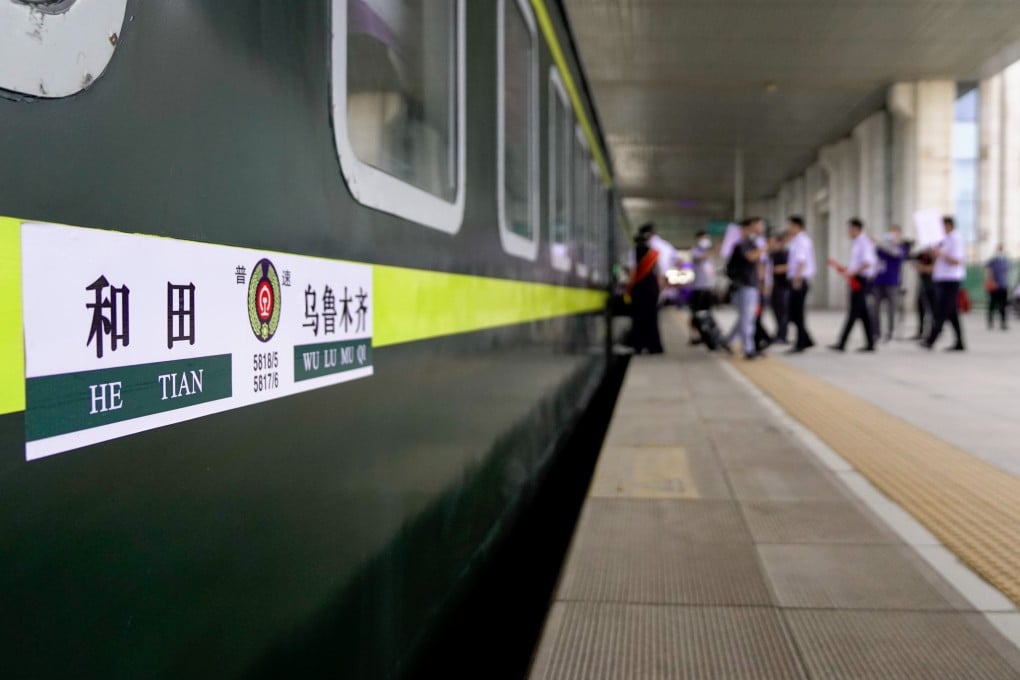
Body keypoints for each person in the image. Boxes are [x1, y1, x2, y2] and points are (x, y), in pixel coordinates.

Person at [830, 218, 878, 352]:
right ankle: (870, 343)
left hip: (861, 280)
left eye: (850, 229)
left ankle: (842, 343)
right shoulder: (857, 242)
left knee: (853, 312)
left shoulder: (864, 242)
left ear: (856, 229)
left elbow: (867, 262)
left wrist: (852, 273)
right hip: (856, 278)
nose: (849, 232)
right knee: (863, 314)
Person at [723, 218, 767, 359]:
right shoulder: (741, 245)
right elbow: (751, 258)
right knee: (747, 318)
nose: (757, 229)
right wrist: (767, 246)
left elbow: (759, 265)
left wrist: (761, 283)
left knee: (746, 317)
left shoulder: (753, 243)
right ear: (746, 228)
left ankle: (728, 341)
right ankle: (749, 349)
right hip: (743, 286)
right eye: (755, 226)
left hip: (751, 285)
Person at [922, 215, 966, 351]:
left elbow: (957, 261)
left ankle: (932, 339)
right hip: (942, 278)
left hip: (951, 280)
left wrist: (941, 254)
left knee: (942, 310)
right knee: (951, 312)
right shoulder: (944, 240)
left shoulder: (956, 239)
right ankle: (960, 342)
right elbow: (937, 257)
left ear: (949, 226)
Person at [627, 232, 663, 354]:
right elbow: (659, 274)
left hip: (639, 288)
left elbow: (632, 272)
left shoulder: (633, 252)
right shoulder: (653, 253)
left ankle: (639, 346)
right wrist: (659, 290)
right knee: (652, 318)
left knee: (638, 318)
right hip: (652, 288)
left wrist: (629, 288)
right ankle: (654, 347)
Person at [784, 215, 816, 353]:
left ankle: (801, 343)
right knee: (794, 313)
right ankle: (807, 339)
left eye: (790, 225)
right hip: (798, 279)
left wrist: (797, 279)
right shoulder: (797, 240)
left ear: (797, 226)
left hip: (799, 280)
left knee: (797, 313)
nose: (789, 228)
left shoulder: (802, 240)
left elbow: (801, 261)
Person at [872, 226, 908, 342]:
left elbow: (896, 254)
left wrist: (883, 243)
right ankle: (876, 332)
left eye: (894, 234)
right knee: (875, 308)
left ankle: (890, 332)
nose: (891, 236)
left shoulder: (901, 248)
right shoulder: (880, 248)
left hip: (892, 283)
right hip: (878, 282)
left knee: (891, 309)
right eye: (890, 233)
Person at [688, 230, 716, 344]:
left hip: (708, 287)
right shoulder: (695, 251)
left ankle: (706, 334)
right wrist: (712, 251)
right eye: (704, 238)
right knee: (696, 314)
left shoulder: (709, 256)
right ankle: (694, 335)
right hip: (698, 288)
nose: (706, 241)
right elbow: (699, 258)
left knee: (707, 313)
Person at [768, 231, 790, 343]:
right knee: (776, 312)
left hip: (784, 286)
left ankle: (783, 336)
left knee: (783, 313)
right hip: (774, 286)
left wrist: (775, 269)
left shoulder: (786, 254)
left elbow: (789, 267)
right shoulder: (772, 255)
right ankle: (779, 334)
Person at [911, 247, 936, 340]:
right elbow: (912, 260)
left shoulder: (935, 255)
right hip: (923, 286)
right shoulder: (922, 254)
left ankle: (933, 331)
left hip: (933, 286)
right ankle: (921, 331)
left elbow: (932, 269)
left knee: (932, 311)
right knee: (921, 309)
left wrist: (922, 268)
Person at [986, 244, 1009, 331]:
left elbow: (1005, 273)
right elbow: (988, 271)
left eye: (1001, 249)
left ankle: (1003, 323)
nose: (1000, 251)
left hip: (1003, 286)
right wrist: (990, 281)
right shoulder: (993, 261)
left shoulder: (1005, 261)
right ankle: (990, 322)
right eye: (999, 249)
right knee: (992, 304)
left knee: (1003, 305)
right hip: (994, 286)